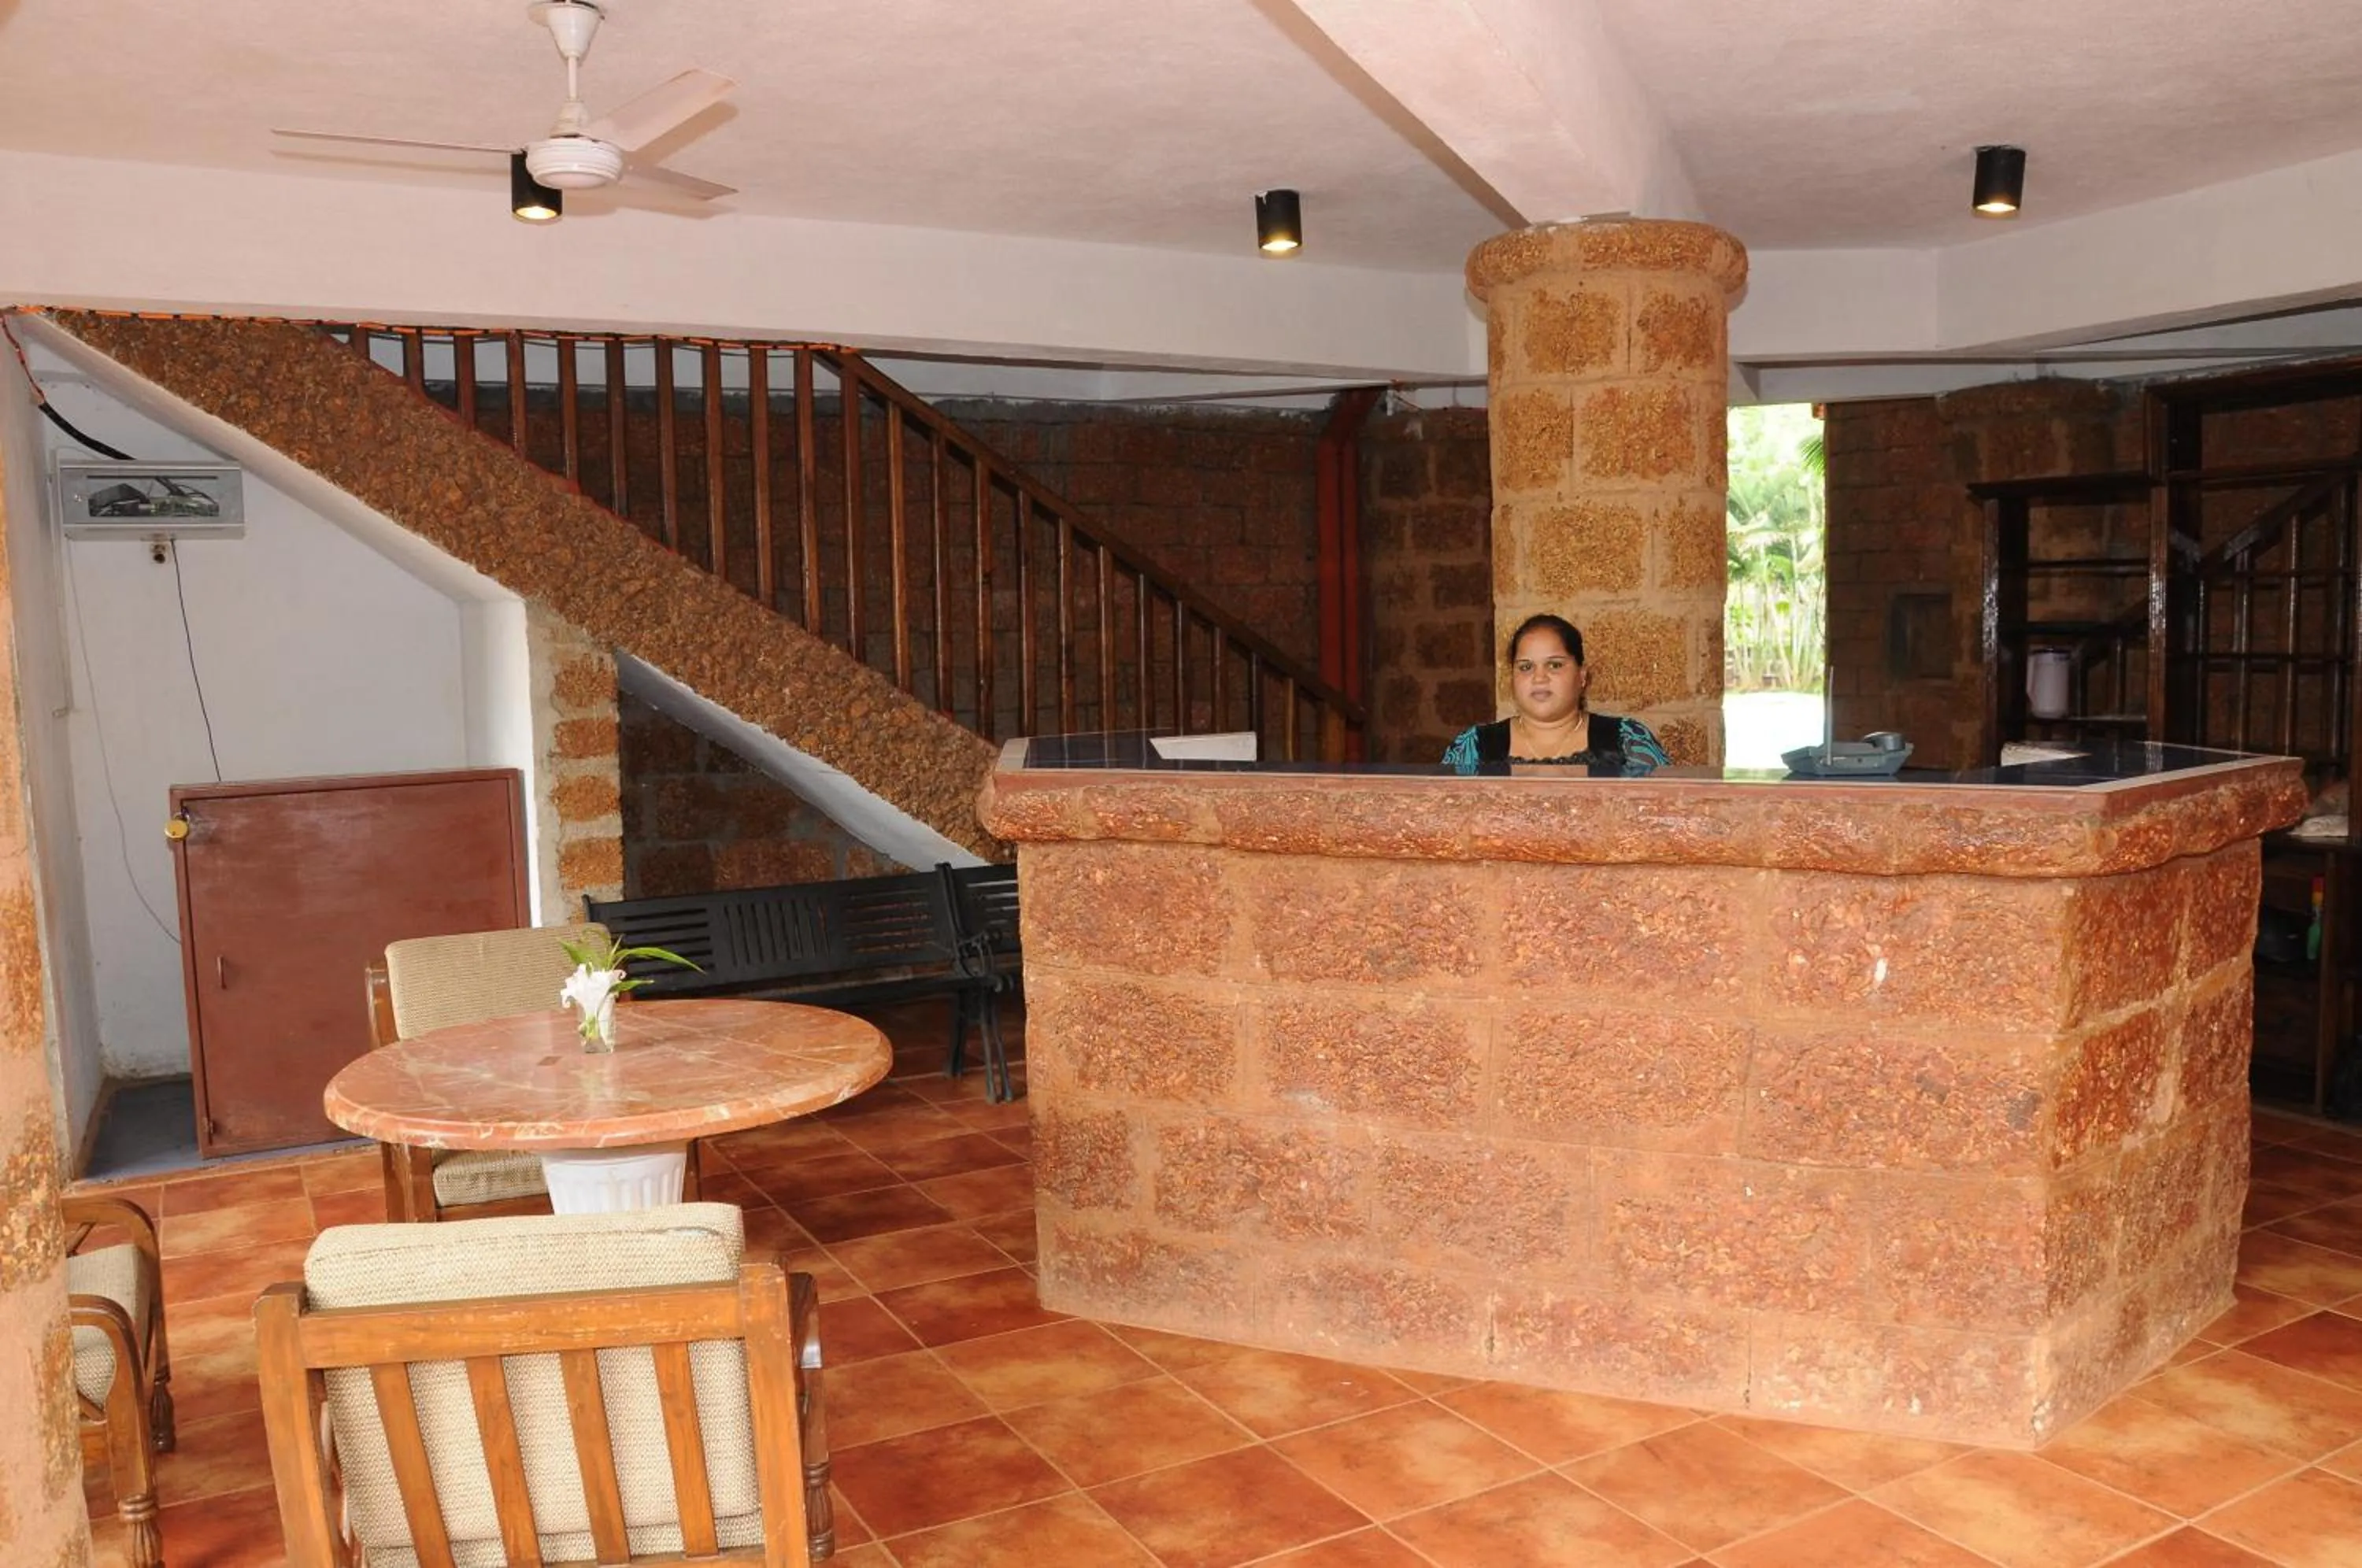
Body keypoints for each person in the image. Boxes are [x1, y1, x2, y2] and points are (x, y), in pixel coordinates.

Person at [1441, 613, 1672, 771]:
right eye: (1526, 667)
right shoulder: (1473, 747)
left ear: (1582, 676)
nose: (1539, 678)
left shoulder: (1627, 741)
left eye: (1555, 665)